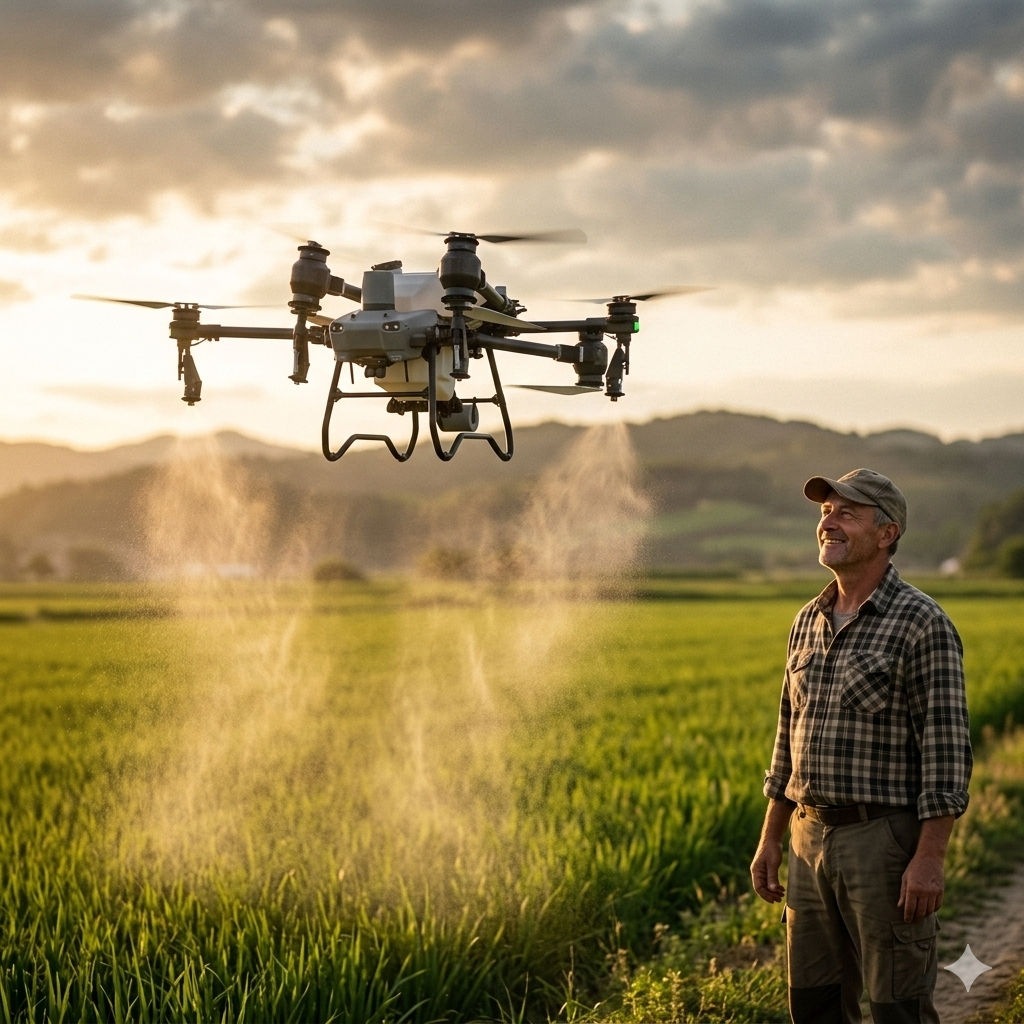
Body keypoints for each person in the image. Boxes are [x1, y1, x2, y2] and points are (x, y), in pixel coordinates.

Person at [750, 468, 972, 1024]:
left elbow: (947, 755)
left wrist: (930, 860)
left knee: (900, 1003)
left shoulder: (922, 623)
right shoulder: (807, 620)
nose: (829, 521)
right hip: (807, 837)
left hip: (883, 842)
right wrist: (771, 837)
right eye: (826, 512)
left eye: (847, 512)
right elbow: (787, 742)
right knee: (816, 1002)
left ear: (887, 533)